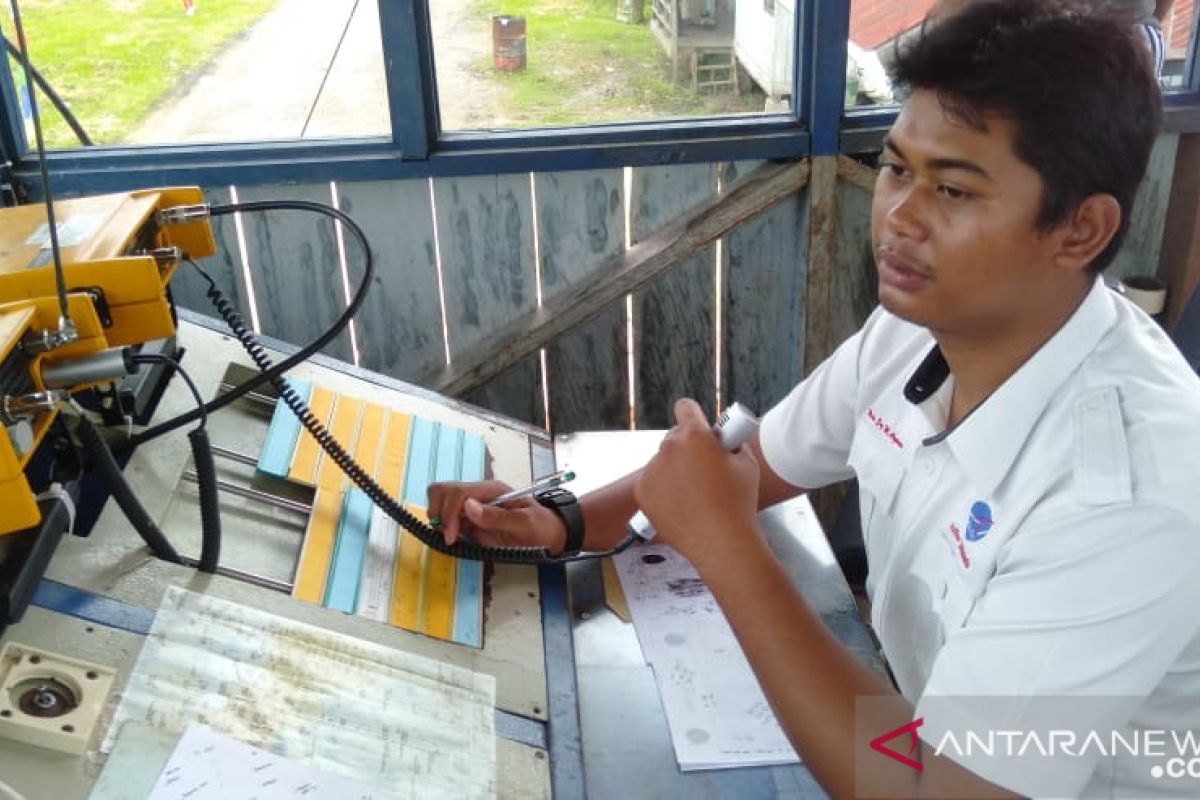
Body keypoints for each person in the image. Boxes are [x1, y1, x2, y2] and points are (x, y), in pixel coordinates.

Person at [430, 1, 1200, 796]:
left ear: (1079, 231)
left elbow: (944, 790)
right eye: (898, 167)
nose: (899, 215)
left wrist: (726, 546)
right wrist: (563, 521)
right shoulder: (920, 330)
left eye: (956, 192)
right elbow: (757, 464)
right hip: (920, 726)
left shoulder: (1132, 493)